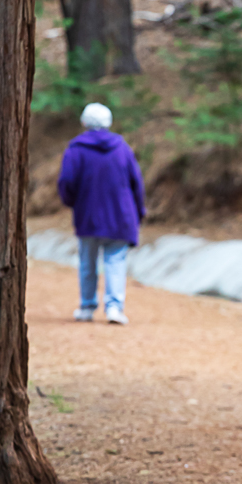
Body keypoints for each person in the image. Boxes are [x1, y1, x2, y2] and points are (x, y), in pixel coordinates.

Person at [57, 103, 146, 326]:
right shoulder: (122, 148)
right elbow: (137, 183)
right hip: (120, 216)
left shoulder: (76, 149)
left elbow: (66, 182)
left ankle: (87, 307)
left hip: (88, 216)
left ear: (84, 122)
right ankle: (114, 308)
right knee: (115, 261)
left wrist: (72, 202)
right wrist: (139, 211)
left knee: (87, 262)